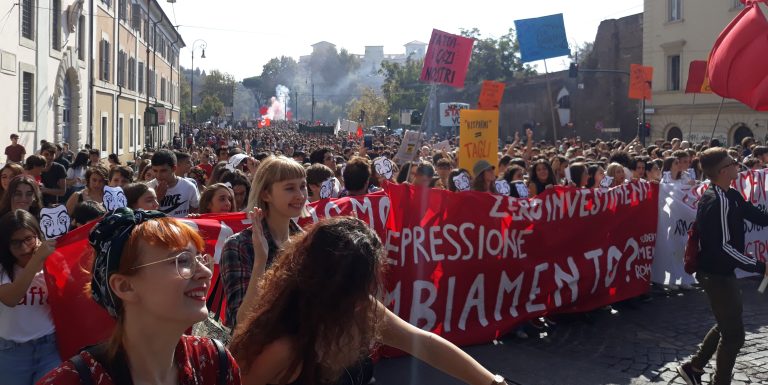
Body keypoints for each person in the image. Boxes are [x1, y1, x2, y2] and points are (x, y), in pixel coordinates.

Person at [229, 217, 508, 385]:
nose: (366, 294)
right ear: (333, 284)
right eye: (360, 284)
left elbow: (426, 345)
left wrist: (493, 382)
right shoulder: (283, 347)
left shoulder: (360, 309)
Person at [37, 208, 241, 384]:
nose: (205, 272)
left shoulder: (214, 362)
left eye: (200, 258)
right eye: (183, 260)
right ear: (125, 286)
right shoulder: (70, 381)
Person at [677, 148, 768, 385]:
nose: (738, 165)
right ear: (723, 170)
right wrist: (760, 266)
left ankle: (693, 367)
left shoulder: (731, 194)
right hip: (715, 274)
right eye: (733, 162)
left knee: (726, 323)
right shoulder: (717, 201)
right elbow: (723, 247)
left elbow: (758, 216)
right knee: (734, 336)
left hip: (722, 271)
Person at [220, 156, 306, 329]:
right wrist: (261, 261)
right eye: (290, 188)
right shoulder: (238, 245)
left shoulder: (307, 241)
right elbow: (242, 322)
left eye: (303, 186)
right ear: (266, 194)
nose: (300, 195)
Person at [0, 210, 59, 385]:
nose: (25, 247)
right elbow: (11, 298)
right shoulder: (3, 268)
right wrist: (36, 260)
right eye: (16, 243)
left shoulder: (54, 262)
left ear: (37, 235)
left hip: (49, 348)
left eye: (28, 239)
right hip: (11, 353)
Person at [147, 149, 200, 218]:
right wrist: (157, 198)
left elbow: (195, 211)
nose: (158, 175)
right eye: (155, 171)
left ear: (174, 168)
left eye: (163, 171)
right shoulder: (148, 188)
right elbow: (145, 216)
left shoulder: (189, 187)